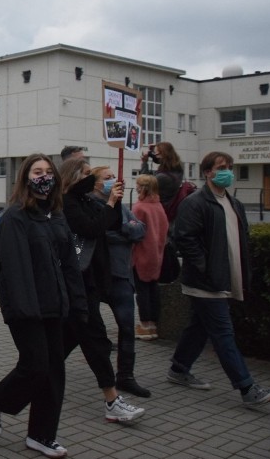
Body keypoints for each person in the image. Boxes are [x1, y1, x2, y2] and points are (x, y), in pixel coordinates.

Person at [0, 153, 87, 459]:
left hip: (55, 307)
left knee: (54, 372)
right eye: (37, 171)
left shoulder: (56, 216)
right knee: (36, 366)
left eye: (48, 171)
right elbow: (14, 269)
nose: (44, 177)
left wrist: (78, 305)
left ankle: (42, 435)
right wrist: (26, 311)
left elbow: (70, 264)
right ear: (26, 178)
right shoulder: (16, 217)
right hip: (26, 309)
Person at [167, 151, 270, 407]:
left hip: (223, 278)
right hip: (205, 282)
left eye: (230, 167)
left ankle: (179, 369)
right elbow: (184, 237)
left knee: (199, 326)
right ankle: (247, 387)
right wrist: (205, 267)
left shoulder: (232, 203)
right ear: (207, 172)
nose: (227, 171)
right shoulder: (196, 202)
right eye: (221, 167)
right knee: (223, 332)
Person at [58, 158, 147, 419]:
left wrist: (115, 201)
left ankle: (24, 384)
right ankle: (112, 399)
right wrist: (109, 204)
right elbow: (93, 228)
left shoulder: (85, 200)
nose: (90, 177)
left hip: (92, 280)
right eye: (86, 173)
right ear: (73, 176)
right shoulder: (68, 203)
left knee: (63, 345)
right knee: (95, 340)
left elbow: (111, 223)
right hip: (78, 283)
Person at [89, 166, 151, 398]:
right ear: (95, 184)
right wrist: (124, 232)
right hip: (97, 276)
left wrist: (123, 229)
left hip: (121, 276)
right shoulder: (90, 205)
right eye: (107, 178)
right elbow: (97, 233)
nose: (113, 181)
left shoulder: (122, 207)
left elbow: (140, 230)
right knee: (85, 330)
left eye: (113, 177)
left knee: (127, 326)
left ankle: (125, 376)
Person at [131, 175, 169, 340]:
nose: (136, 187)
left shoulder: (140, 207)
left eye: (138, 185)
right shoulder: (158, 205)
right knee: (153, 289)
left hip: (141, 254)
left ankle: (145, 326)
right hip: (157, 254)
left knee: (142, 291)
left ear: (144, 188)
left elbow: (133, 232)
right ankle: (154, 324)